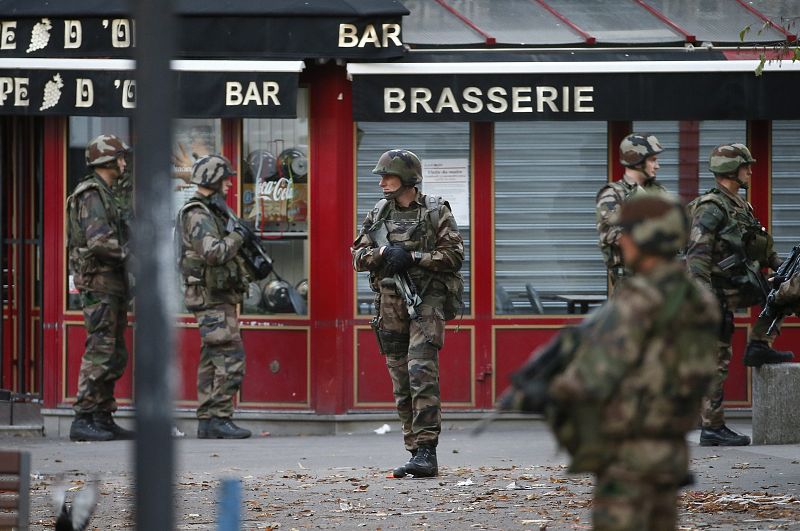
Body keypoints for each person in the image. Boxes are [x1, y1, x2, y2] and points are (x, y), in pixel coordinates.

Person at [545, 195, 720, 530]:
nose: (621, 241)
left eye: (626, 233)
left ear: (645, 238)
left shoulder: (637, 301)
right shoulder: (699, 298)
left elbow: (588, 380)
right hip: (670, 451)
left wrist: (552, 390)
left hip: (628, 454)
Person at [351, 149, 464, 478]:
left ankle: (428, 450)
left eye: (388, 176)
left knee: (421, 372)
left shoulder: (435, 211)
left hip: (425, 299)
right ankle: (414, 450)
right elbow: (357, 255)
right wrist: (384, 251)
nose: (382, 182)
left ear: (409, 180)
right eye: (382, 177)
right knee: (400, 377)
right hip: (390, 302)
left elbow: (455, 255)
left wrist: (415, 259)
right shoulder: (378, 213)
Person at [686, 143, 793, 447]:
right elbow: (697, 257)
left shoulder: (739, 205)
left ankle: (759, 343)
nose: (750, 171)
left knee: (785, 293)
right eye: (746, 166)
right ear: (732, 170)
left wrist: (778, 267)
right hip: (715, 293)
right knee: (716, 359)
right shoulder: (711, 207)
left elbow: (757, 244)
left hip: (737, 286)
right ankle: (712, 428)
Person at [177, 155, 253, 439]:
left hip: (213, 295)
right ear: (212, 180)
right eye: (225, 178)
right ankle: (219, 418)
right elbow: (213, 253)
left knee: (212, 357)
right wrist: (238, 237)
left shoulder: (210, 210)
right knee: (231, 356)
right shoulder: (198, 213)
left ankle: (208, 421)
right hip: (210, 296)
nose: (229, 183)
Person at [66, 134, 136, 442]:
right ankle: (83, 418)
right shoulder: (92, 194)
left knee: (114, 351)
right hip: (100, 283)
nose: (123, 162)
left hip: (113, 284)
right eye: (120, 157)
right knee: (100, 349)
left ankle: (102, 416)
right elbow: (99, 243)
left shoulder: (108, 193)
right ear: (106, 161)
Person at [596, 133, 669, 287]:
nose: (657, 166)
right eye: (652, 160)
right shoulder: (613, 194)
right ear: (637, 161)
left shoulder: (659, 192)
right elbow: (613, 235)